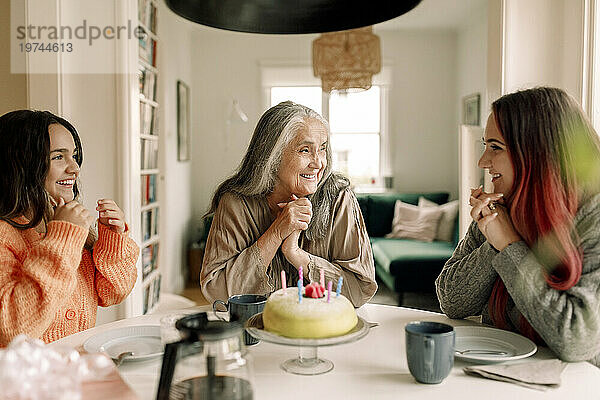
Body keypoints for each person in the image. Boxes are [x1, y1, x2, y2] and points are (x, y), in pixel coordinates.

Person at [436, 87, 600, 367]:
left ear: (540, 153)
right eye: (484, 146)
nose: (482, 162)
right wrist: (494, 242)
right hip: (497, 372)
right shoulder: (499, 209)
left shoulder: (592, 219)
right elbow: (452, 301)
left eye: (495, 148)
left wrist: (510, 246)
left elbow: (577, 340)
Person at [201, 101, 377, 307]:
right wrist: (276, 232)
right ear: (271, 156)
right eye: (305, 150)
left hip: (324, 333)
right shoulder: (236, 202)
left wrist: (296, 254)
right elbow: (218, 293)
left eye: (322, 149)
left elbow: (359, 289)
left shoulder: (339, 198)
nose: (319, 163)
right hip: (257, 332)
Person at [0, 110, 139, 346]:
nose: (75, 168)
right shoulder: (6, 236)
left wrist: (112, 241)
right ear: (20, 165)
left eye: (74, 156)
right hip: (27, 378)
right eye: (58, 157)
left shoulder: (68, 226)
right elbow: (14, 328)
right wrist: (63, 238)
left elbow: (112, 293)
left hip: (75, 365)